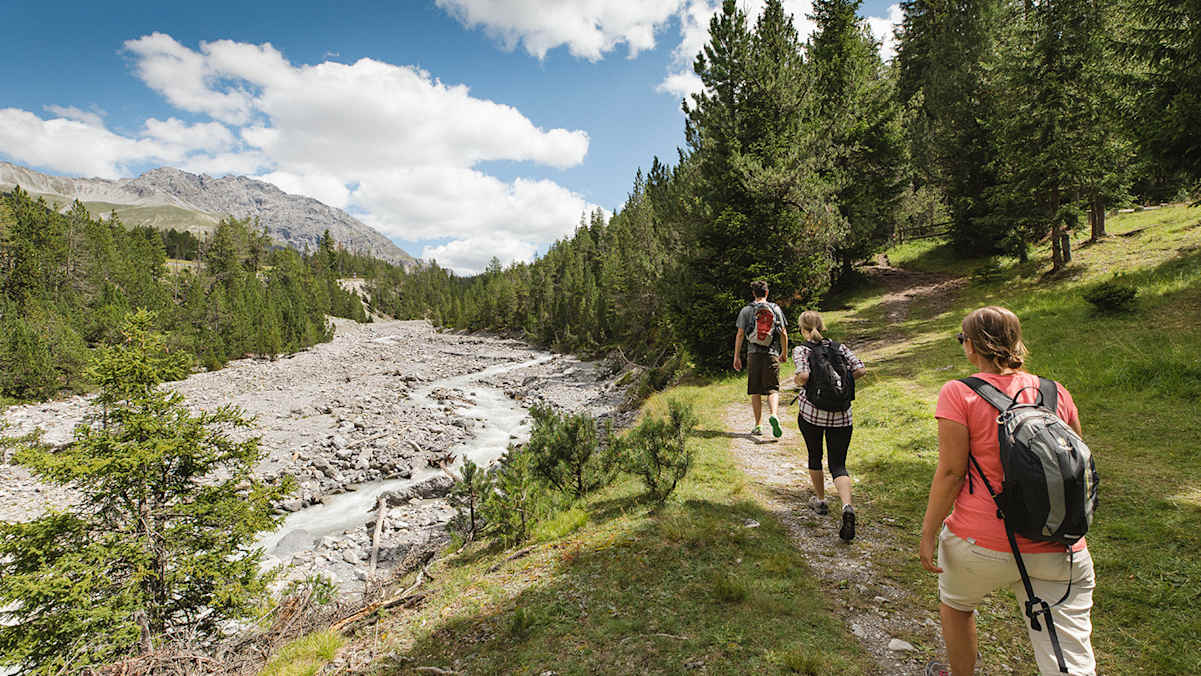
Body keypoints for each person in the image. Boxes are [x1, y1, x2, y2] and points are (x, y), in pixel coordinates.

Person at [920, 307, 1096, 676]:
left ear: (970, 346)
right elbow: (1076, 461)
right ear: (1016, 342)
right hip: (1060, 543)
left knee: (957, 605)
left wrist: (928, 531)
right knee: (1068, 658)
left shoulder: (958, 392)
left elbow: (952, 472)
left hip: (980, 542)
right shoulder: (1053, 391)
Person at [791, 310, 865, 541]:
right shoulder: (839, 347)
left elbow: (803, 376)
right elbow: (861, 369)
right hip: (842, 414)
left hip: (812, 413)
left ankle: (821, 501)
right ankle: (846, 506)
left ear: (802, 329)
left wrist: (796, 381)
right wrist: (842, 383)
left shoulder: (802, 349)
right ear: (822, 326)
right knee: (838, 464)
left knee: (815, 455)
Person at [733, 280, 788, 438]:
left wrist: (737, 356)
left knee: (755, 390)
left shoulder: (746, 310)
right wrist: (784, 353)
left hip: (753, 353)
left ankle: (758, 425)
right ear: (767, 293)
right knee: (772, 388)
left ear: (753, 293)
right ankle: (774, 415)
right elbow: (783, 333)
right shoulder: (775, 309)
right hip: (771, 352)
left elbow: (740, 334)